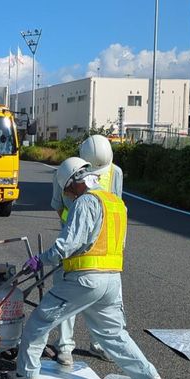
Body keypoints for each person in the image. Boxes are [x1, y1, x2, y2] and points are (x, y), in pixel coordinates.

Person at [9, 159, 165, 379]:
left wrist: (40, 259)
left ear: (73, 183)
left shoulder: (86, 202)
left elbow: (68, 244)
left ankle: (27, 371)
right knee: (113, 334)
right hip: (112, 279)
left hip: (85, 280)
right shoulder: (116, 203)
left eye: (67, 190)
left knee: (40, 320)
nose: (68, 195)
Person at [49, 135, 124, 365]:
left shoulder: (115, 172)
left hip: (103, 247)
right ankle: (65, 347)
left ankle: (100, 344)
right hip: (73, 243)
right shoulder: (64, 173)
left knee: (103, 300)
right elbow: (58, 206)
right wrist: (74, 227)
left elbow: (117, 207)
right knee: (66, 295)